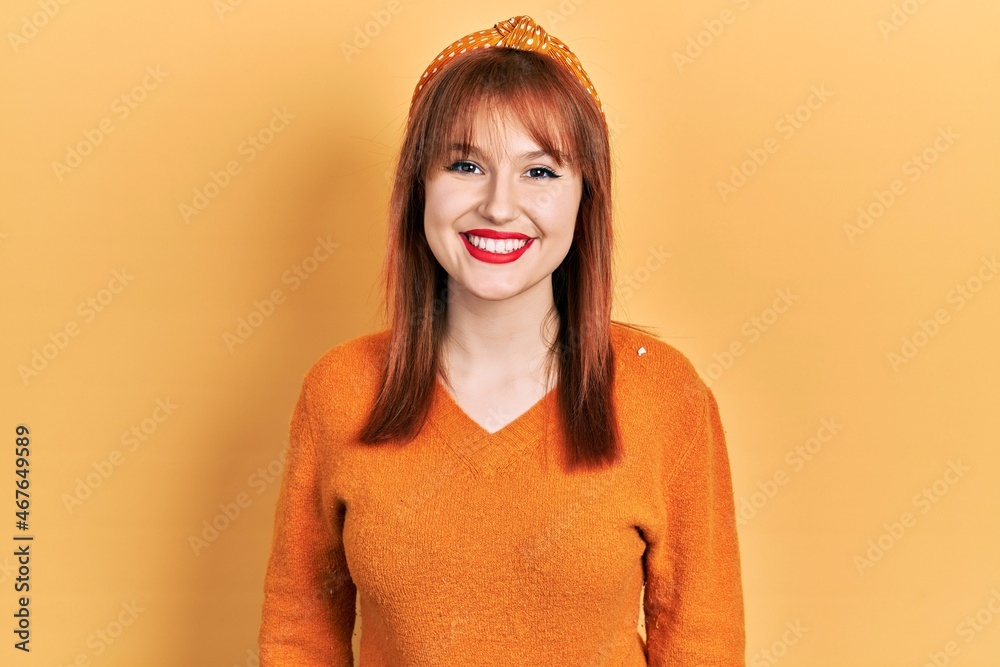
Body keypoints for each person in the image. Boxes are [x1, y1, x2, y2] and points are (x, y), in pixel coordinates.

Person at [258, 15, 745, 666]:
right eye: (466, 164)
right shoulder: (339, 391)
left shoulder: (666, 394)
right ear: (418, 189)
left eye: (540, 172)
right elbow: (299, 636)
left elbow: (702, 643)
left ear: (584, 198)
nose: (498, 205)